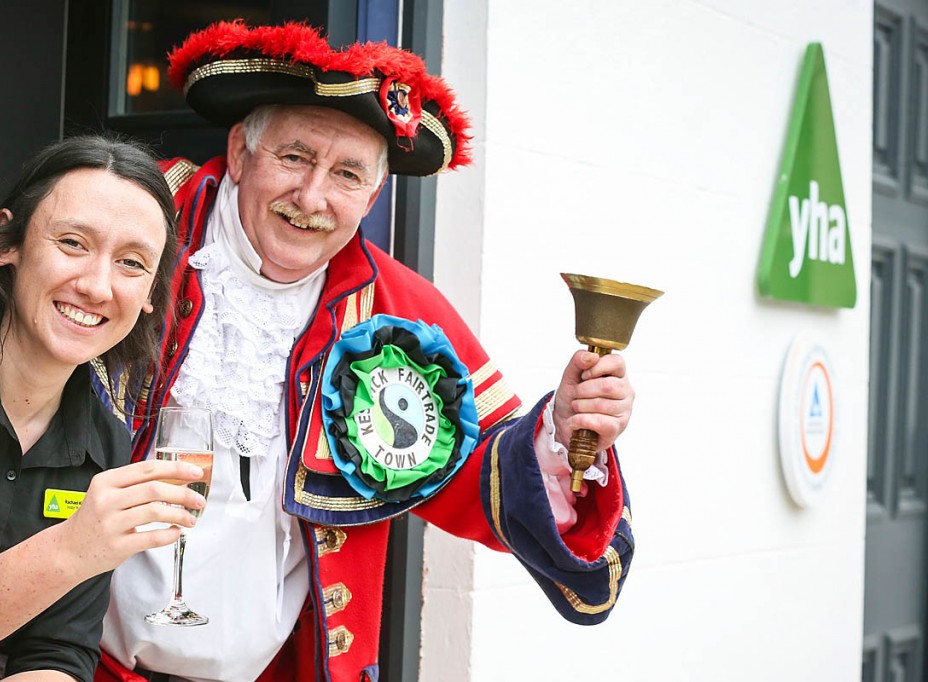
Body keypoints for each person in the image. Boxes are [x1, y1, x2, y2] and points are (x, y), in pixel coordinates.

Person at [96, 21, 636, 682]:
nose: (313, 197)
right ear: (240, 152)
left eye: (347, 174)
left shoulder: (399, 314)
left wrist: (565, 428)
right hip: (76, 662)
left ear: (373, 197)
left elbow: (480, 472)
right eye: (294, 157)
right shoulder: (136, 227)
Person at [0, 136, 211, 681]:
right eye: (73, 243)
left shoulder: (106, 440)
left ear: (151, 293)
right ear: (7, 243)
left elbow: (59, 653)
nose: (98, 286)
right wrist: (73, 548)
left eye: (131, 262)